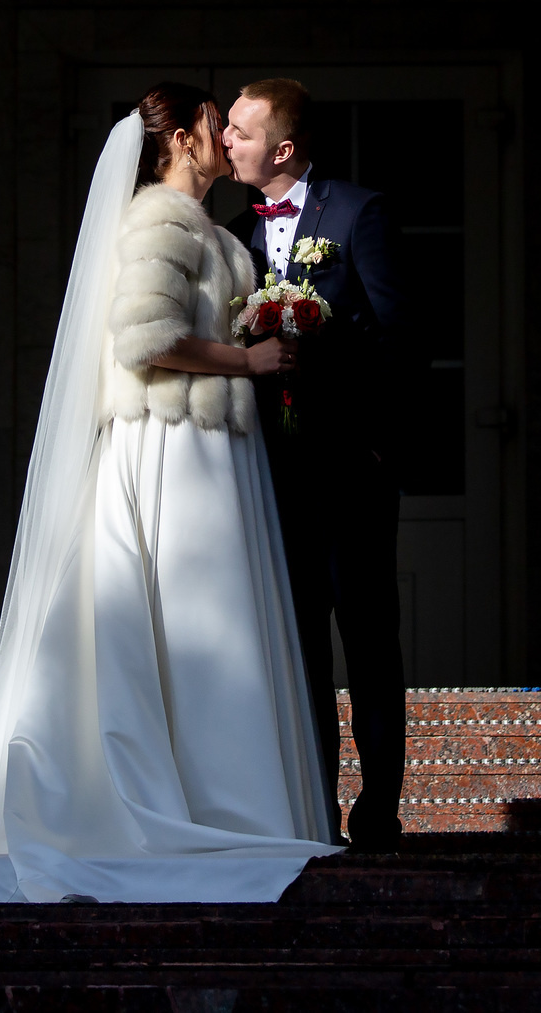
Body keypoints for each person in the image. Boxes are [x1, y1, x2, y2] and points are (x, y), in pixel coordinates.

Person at [0, 84, 341, 903]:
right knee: (183, 618)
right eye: (215, 122)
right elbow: (146, 338)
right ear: (181, 139)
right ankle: (198, 805)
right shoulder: (159, 222)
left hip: (218, 453)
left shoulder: (212, 232)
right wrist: (246, 362)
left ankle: (235, 801)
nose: (224, 134)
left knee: (212, 628)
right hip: (175, 449)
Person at [222, 79, 409, 851]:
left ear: (284, 147)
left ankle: (379, 810)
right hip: (274, 478)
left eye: (240, 130)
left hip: (351, 470)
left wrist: (375, 440)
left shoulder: (357, 212)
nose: (226, 139)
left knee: (368, 641)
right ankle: (313, 810)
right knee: (297, 649)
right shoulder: (235, 230)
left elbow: (398, 335)